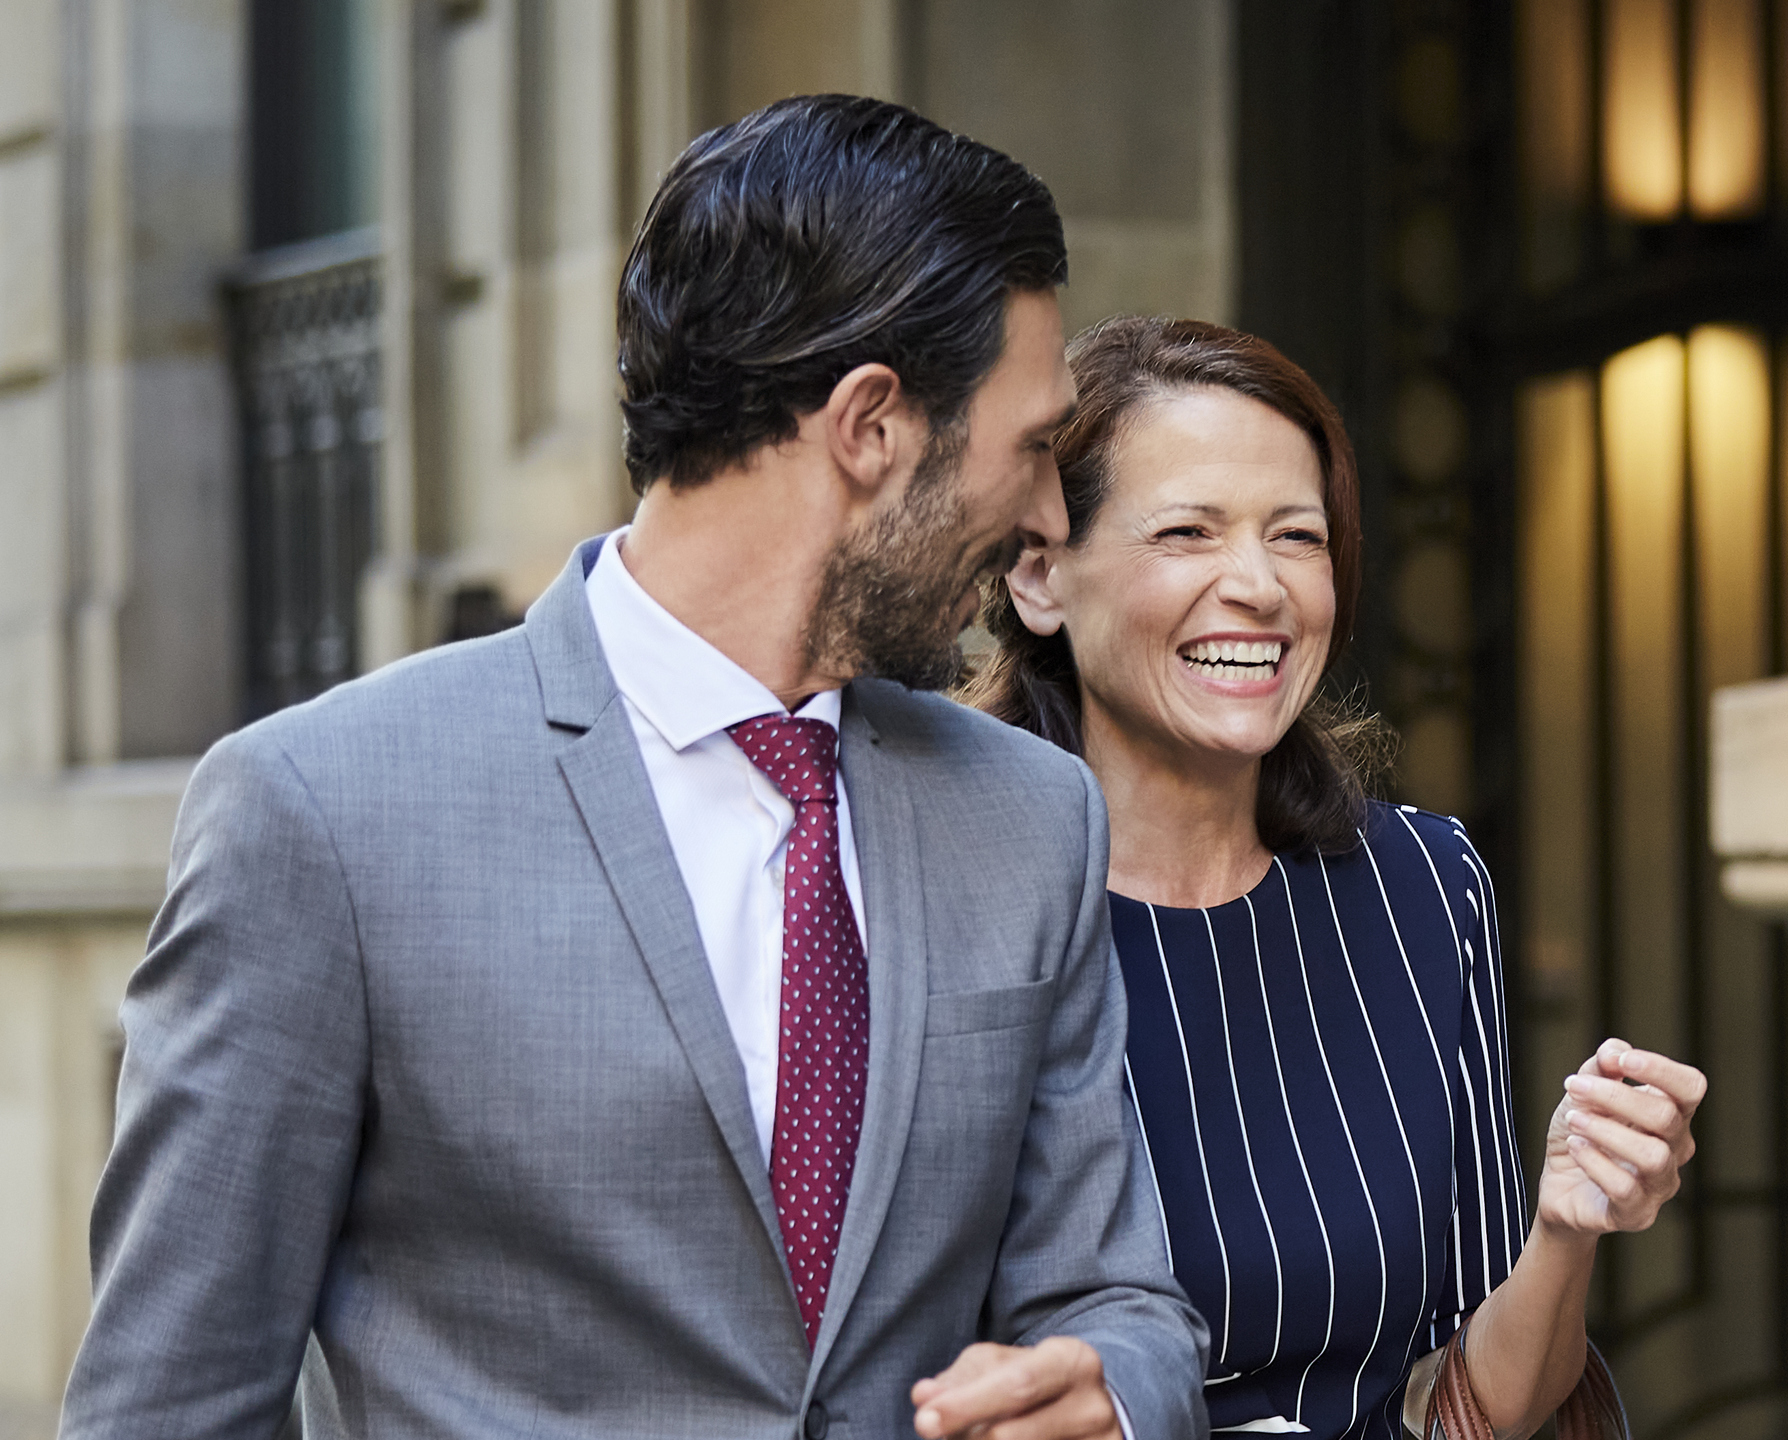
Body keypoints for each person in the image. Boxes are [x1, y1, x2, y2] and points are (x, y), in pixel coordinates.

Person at [63, 95, 1205, 1439]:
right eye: (1030, 451)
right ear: (871, 426)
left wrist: (1117, 1389)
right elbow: (171, 1403)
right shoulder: (318, 816)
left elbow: (1119, 1300)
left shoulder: (1029, 815)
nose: (1047, 519)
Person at [974, 315, 1707, 1439]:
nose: (1259, 586)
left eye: (1298, 536)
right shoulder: (946, 908)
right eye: (1187, 531)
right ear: (1039, 575)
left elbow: (1467, 1409)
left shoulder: (1421, 885)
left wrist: (1569, 1226)